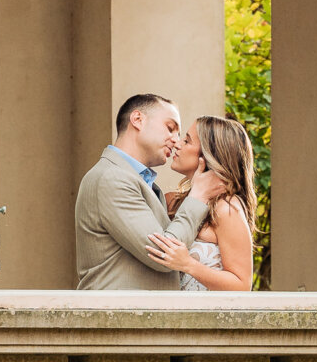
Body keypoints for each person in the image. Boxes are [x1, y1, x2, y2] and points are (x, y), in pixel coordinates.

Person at [74, 94, 227, 289]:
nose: (176, 141)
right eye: (170, 128)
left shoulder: (141, 182)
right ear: (137, 120)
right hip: (118, 316)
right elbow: (162, 254)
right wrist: (198, 196)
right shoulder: (112, 178)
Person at [146, 115, 259, 291]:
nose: (177, 144)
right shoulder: (170, 201)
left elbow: (242, 285)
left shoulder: (226, 208)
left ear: (208, 155)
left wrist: (188, 264)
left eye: (187, 141)